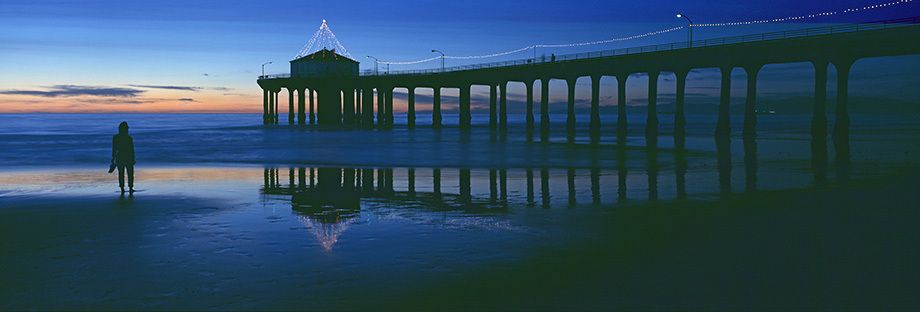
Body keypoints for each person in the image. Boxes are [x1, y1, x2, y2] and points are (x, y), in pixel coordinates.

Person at [111, 121, 136, 194]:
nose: (127, 130)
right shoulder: (129, 138)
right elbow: (131, 149)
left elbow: (114, 149)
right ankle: (130, 188)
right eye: (127, 128)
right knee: (130, 173)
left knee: (121, 173)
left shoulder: (116, 137)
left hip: (120, 157)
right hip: (128, 157)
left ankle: (122, 189)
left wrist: (113, 159)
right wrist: (133, 158)